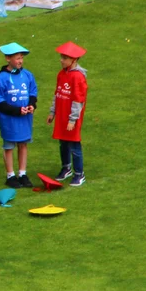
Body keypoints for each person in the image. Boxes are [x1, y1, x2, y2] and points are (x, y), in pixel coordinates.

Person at [0, 43, 37, 189]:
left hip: (25, 119)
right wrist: (17, 111)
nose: (20, 61)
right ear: (8, 58)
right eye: (17, 58)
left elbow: (33, 92)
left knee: (23, 144)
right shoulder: (2, 78)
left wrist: (32, 105)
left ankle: (22, 174)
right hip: (9, 120)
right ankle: (10, 175)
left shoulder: (27, 75)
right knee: (9, 146)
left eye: (21, 58)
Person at [47, 41, 88, 187]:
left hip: (71, 118)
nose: (61, 60)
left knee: (74, 145)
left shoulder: (77, 77)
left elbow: (78, 100)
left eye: (64, 58)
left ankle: (79, 174)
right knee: (62, 142)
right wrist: (53, 112)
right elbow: (57, 94)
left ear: (74, 60)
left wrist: (73, 119)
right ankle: (66, 168)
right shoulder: (61, 74)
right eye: (61, 57)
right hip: (62, 116)